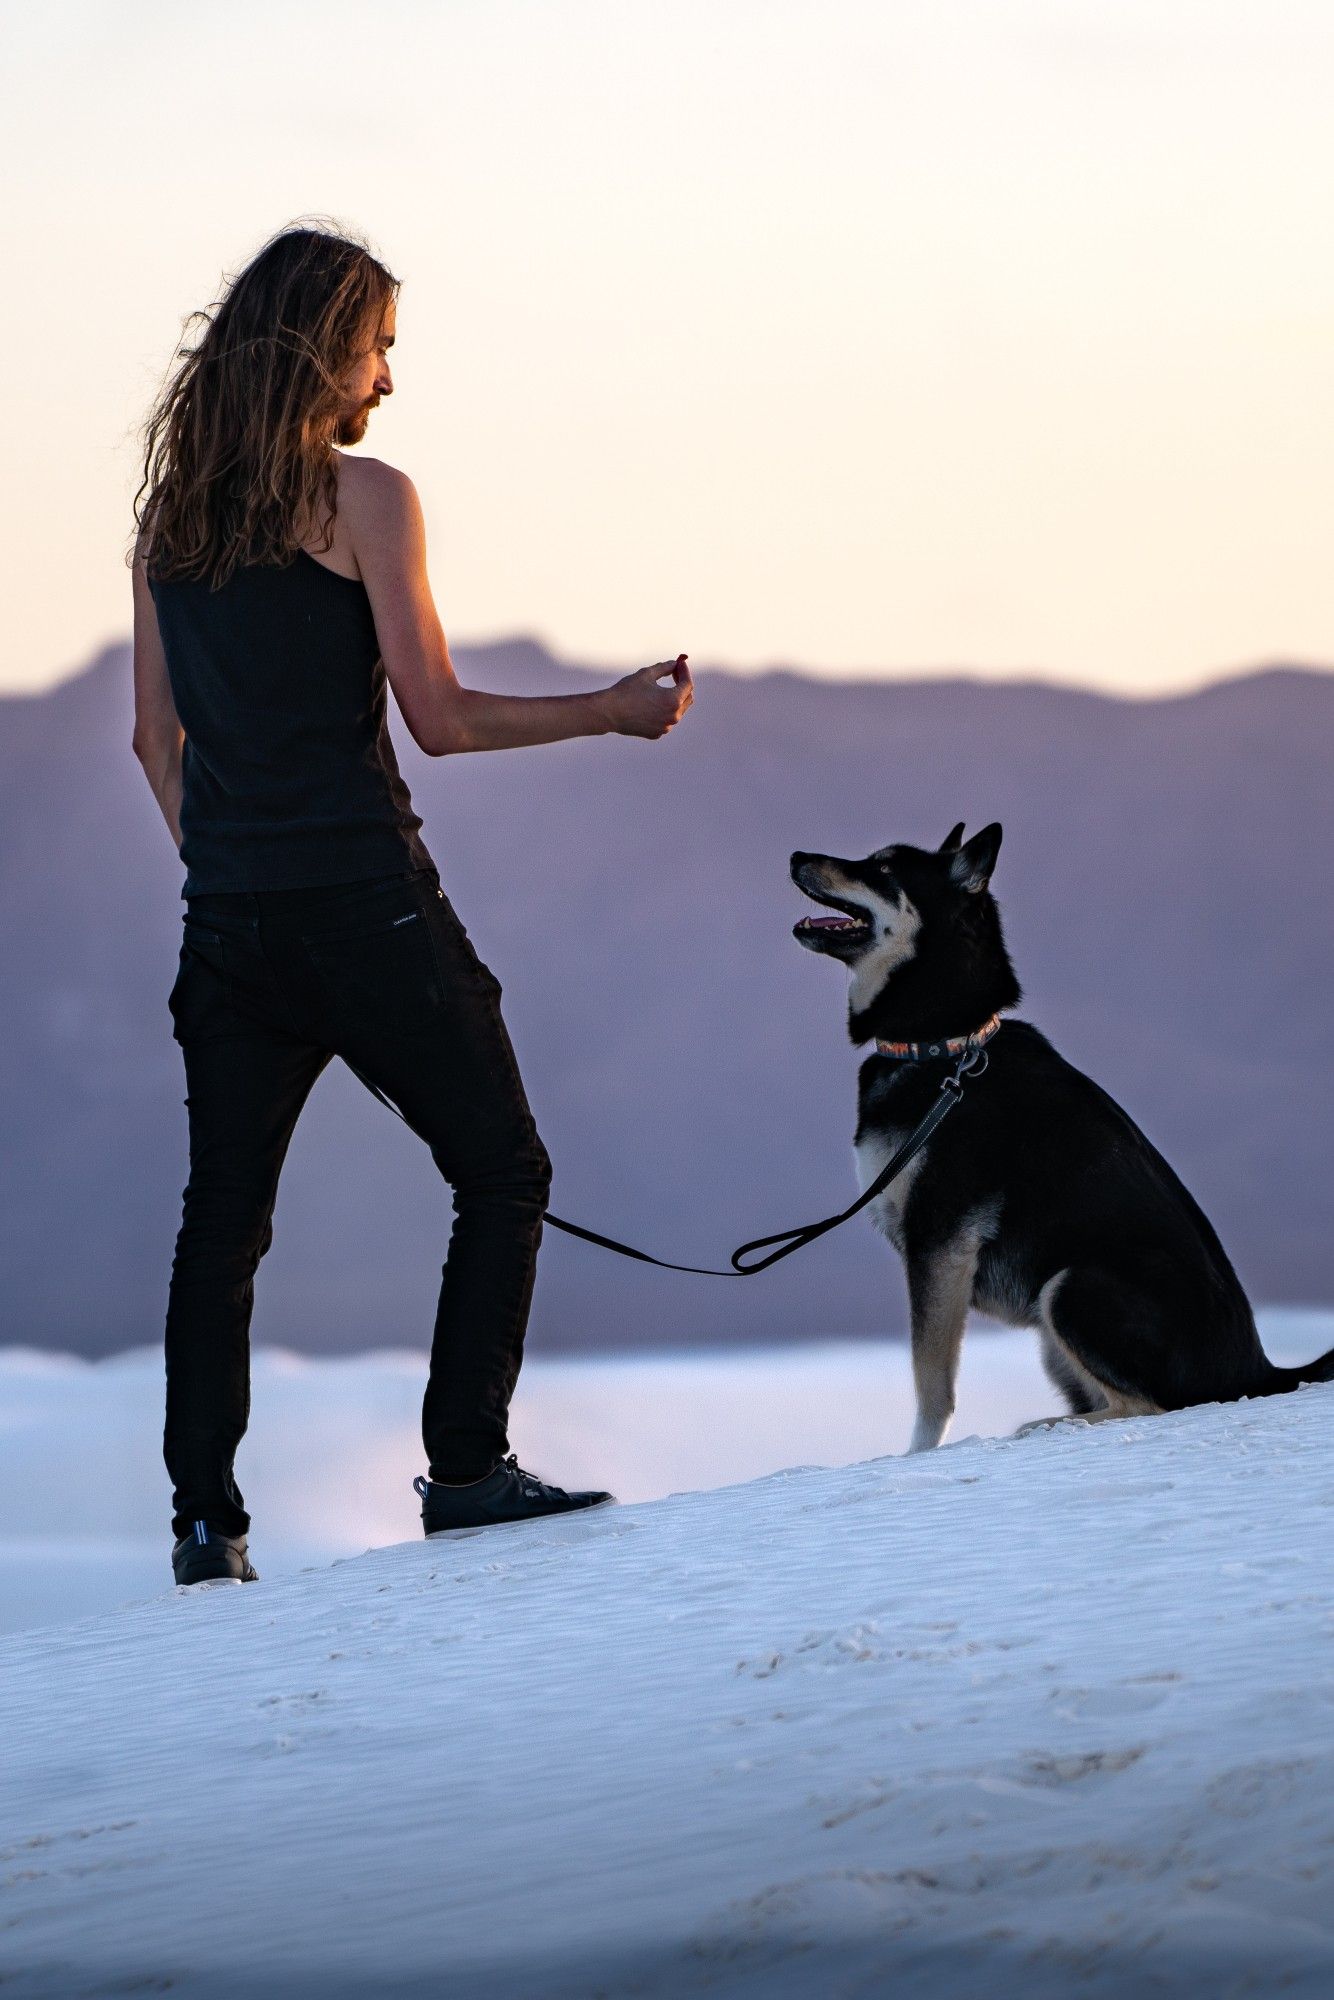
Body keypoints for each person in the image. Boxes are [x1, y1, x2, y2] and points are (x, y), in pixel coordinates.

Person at [129, 221, 694, 1587]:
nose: (387, 379)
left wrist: (230, 870)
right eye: (379, 346)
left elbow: (158, 747)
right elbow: (436, 719)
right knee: (502, 1171)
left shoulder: (173, 522)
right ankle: (466, 1471)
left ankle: (206, 1522)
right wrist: (612, 713)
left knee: (222, 1220)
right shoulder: (364, 498)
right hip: (369, 905)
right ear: (327, 349)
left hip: (231, 921)